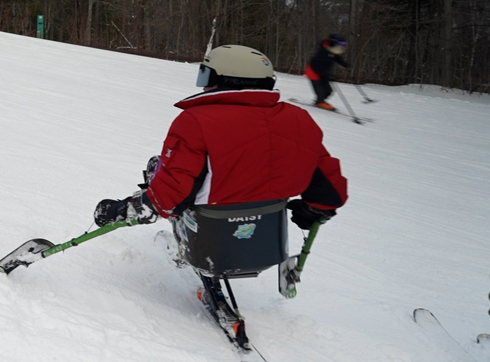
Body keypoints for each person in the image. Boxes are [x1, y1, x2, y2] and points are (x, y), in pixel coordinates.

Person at [92, 44, 348, 236]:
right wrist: (315, 208)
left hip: (212, 236)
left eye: (206, 76)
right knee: (160, 164)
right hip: (266, 239)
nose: (203, 86)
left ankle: (181, 244)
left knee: (162, 171)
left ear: (226, 80)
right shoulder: (299, 119)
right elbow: (326, 180)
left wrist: (122, 210)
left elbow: (172, 194)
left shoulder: (196, 121)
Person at [305, 33, 348, 111]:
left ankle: (320, 101)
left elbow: (337, 58)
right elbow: (318, 65)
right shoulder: (323, 52)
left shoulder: (332, 49)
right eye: (340, 43)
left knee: (329, 91)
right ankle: (320, 101)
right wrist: (328, 74)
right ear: (334, 42)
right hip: (313, 72)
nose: (341, 45)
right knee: (320, 90)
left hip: (323, 73)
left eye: (343, 44)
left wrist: (344, 64)